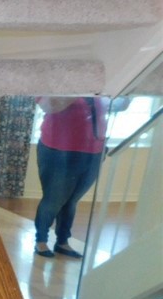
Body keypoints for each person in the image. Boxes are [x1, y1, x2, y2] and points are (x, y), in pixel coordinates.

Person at [32, 96, 127, 259]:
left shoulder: (100, 89)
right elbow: (49, 106)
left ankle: (62, 242)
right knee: (54, 199)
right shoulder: (56, 81)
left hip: (94, 151)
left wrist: (127, 92)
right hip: (58, 151)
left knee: (72, 200)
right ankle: (41, 241)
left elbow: (117, 106)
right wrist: (80, 88)